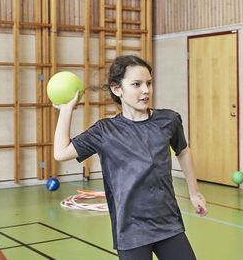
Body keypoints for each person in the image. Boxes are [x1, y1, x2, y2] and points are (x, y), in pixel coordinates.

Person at [53, 55, 207, 260]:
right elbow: (61, 152)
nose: (146, 90)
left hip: (168, 223)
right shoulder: (104, 131)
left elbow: (183, 151)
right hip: (131, 230)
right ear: (117, 89)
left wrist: (194, 192)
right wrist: (66, 110)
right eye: (137, 84)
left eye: (149, 83)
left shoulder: (168, 120)